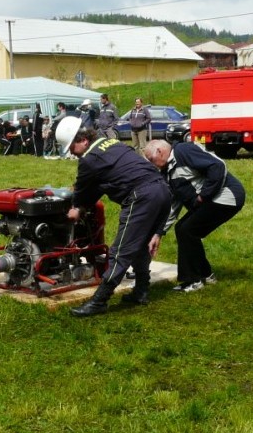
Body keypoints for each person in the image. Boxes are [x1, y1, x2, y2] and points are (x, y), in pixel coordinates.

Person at [54, 116, 172, 317]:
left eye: (71, 147)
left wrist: (77, 208)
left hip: (141, 197)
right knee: (140, 244)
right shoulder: (112, 144)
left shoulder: (89, 159)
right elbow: (100, 185)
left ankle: (99, 301)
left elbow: (82, 190)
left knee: (120, 252)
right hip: (162, 190)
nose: (72, 153)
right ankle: (141, 291)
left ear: (83, 140)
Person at [144, 139, 246, 293]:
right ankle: (206, 274)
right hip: (211, 199)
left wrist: (203, 196)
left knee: (188, 231)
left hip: (228, 197)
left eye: (151, 160)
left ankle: (193, 280)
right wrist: (159, 232)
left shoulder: (183, 152)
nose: (152, 165)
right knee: (183, 229)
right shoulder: (167, 172)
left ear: (160, 152)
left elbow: (218, 165)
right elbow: (173, 205)